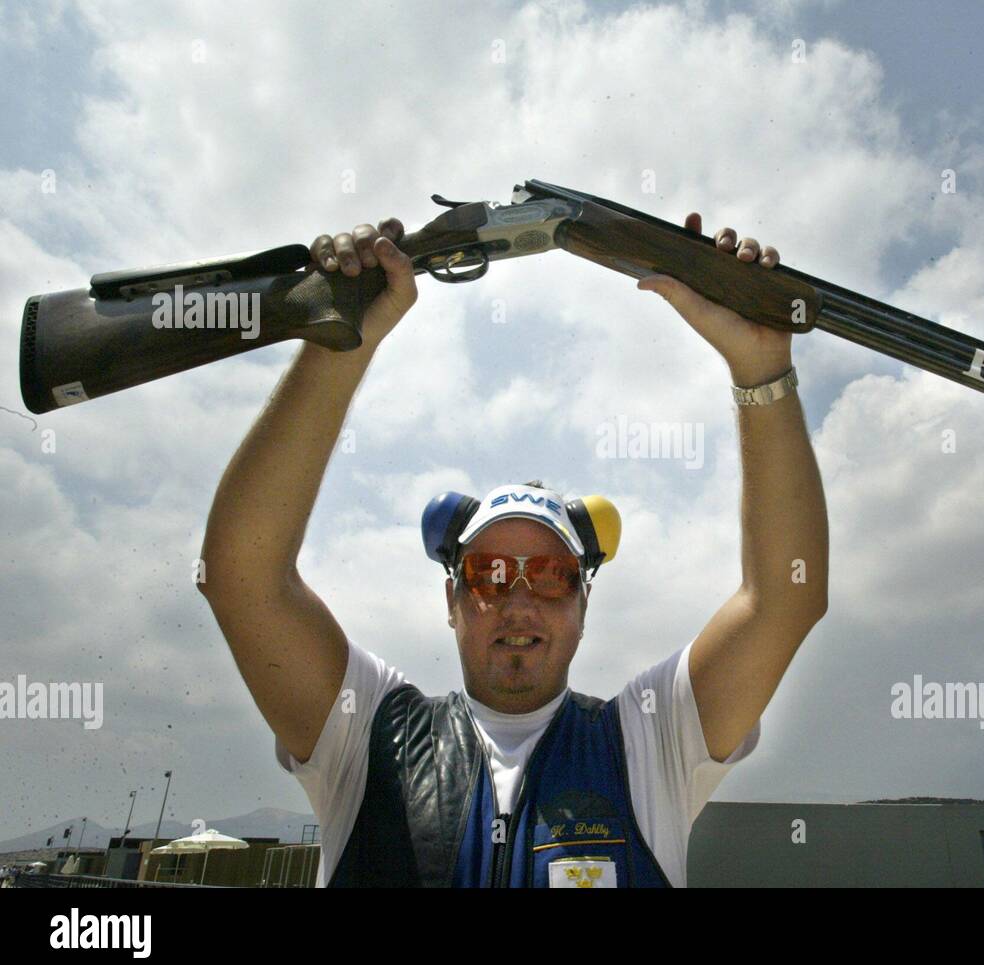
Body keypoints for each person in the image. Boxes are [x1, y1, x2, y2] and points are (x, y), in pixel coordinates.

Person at [197, 210, 828, 887]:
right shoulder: (366, 737)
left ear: (584, 603)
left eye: (551, 575)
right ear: (452, 598)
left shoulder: (650, 742)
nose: (520, 600)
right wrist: (337, 343)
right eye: (491, 574)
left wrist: (762, 370)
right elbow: (242, 575)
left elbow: (783, 601)